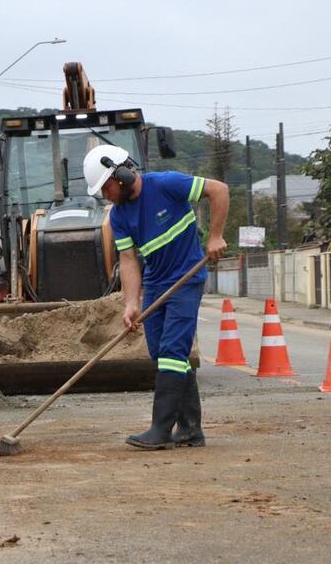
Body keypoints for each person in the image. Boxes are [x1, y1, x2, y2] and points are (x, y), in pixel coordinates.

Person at [82, 144, 228, 450]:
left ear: (120, 175)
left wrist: (215, 236)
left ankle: (161, 429)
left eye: (106, 188)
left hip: (187, 279)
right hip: (156, 284)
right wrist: (131, 303)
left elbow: (219, 190)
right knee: (160, 354)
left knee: (174, 351)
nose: (105, 195)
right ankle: (189, 429)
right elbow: (129, 260)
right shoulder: (119, 217)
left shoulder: (166, 184)